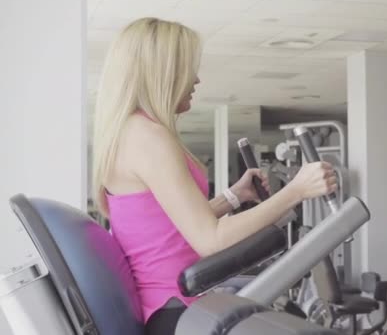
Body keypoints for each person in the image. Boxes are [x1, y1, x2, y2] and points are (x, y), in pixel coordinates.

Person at [92, 17, 338, 335]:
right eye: (188, 68)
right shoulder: (149, 138)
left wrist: (232, 197)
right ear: (164, 72)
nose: (196, 80)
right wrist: (297, 190)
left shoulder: (131, 132)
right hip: (175, 311)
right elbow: (211, 240)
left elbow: (165, 228)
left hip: (170, 307)